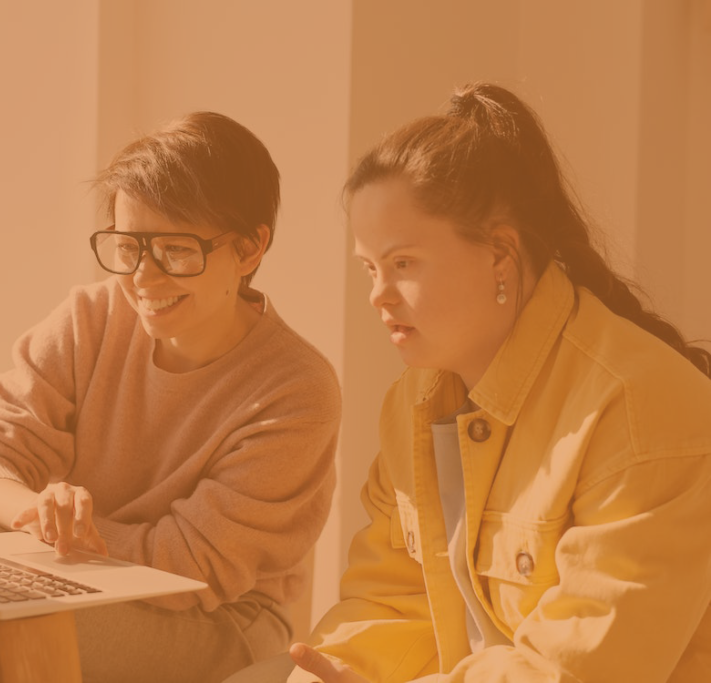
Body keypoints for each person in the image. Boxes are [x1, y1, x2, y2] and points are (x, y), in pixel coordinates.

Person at [229, 82, 711, 682]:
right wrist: (329, 673)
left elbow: (582, 668)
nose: (378, 295)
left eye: (403, 264)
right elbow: (391, 603)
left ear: (499, 256)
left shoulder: (642, 408)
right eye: (370, 268)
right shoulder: (414, 400)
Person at [0, 111, 342, 683]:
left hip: (217, 617)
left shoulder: (295, 390)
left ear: (250, 248)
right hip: (72, 571)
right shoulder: (90, 317)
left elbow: (192, 566)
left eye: (177, 251)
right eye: (128, 246)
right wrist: (33, 514)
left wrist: (80, 537)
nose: (143, 278)